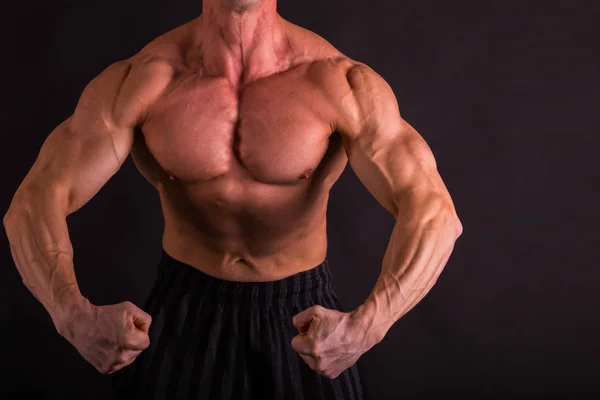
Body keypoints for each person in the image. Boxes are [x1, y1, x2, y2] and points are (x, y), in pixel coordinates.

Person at [3, 0, 463, 398]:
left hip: (301, 318)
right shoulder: (143, 80)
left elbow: (433, 213)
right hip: (183, 312)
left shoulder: (339, 83)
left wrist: (368, 326)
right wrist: (71, 315)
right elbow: (34, 201)